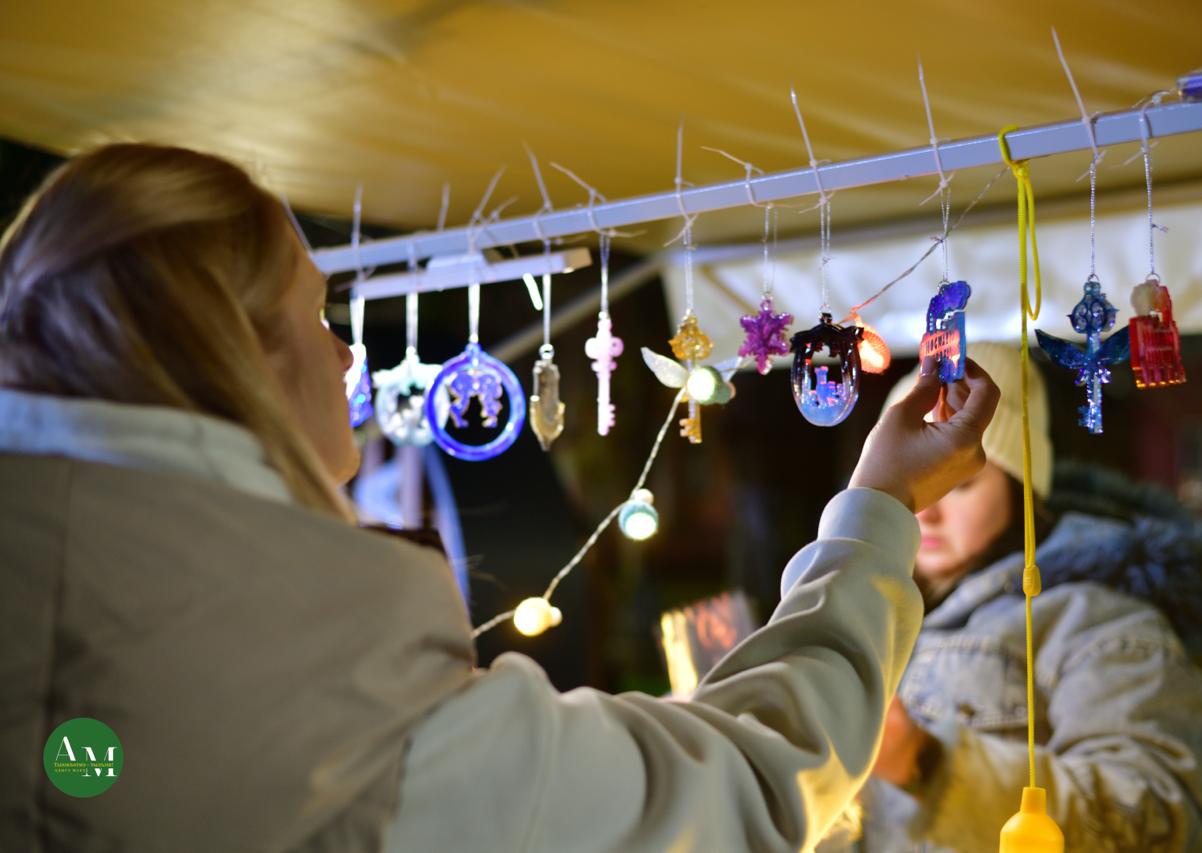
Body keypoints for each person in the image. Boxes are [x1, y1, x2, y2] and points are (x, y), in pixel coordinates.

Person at [0, 143, 1000, 852]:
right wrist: (875, 507)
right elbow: (744, 786)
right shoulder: (323, 672)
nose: (345, 352)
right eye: (315, 308)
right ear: (233, 346)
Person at [844, 342, 1202, 853]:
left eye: (960, 486)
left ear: (1021, 490)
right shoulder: (878, 620)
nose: (928, 512)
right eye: (913, 486)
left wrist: (926, 762)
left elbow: (1150, 816)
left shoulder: (1097, 619)